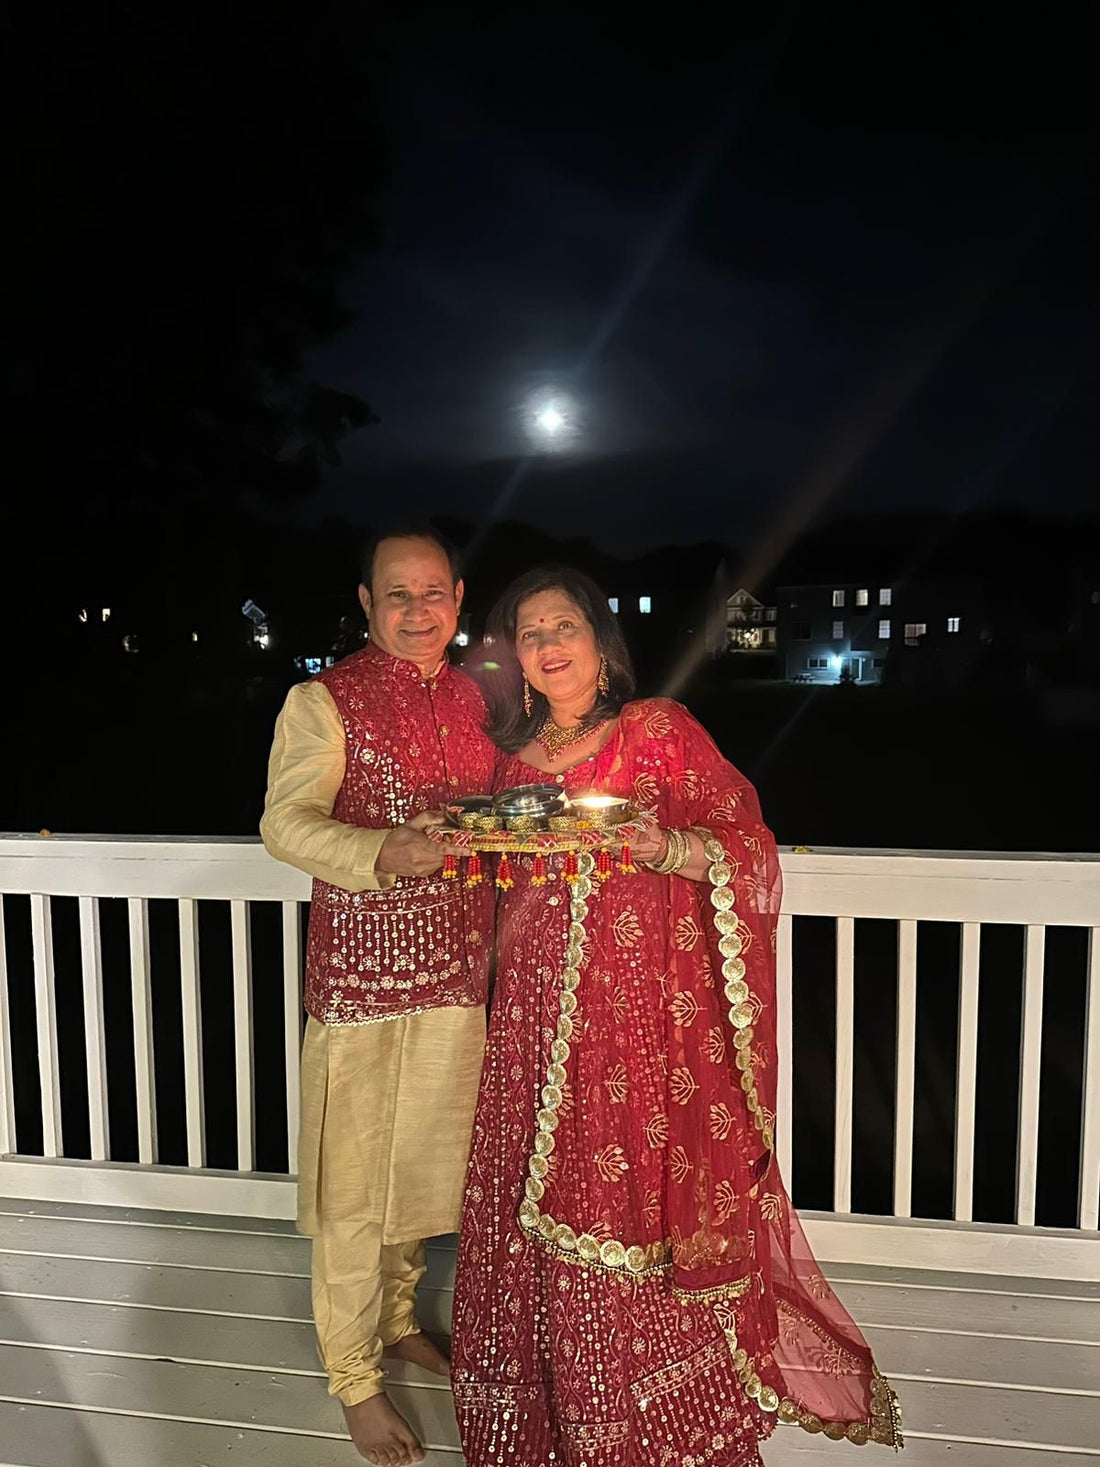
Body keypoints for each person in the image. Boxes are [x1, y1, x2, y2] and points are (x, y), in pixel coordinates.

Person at [451, 567, 902, 1466]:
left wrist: (669, 845)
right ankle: (555, 1404)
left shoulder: (657, 730)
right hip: (532, 1025)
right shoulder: (511, 768)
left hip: (634, 1028)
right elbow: (495, 890)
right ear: (520, 662)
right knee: (528, 1202)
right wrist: (464, 843)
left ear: (599, 641)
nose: (548, 643)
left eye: (564, 623)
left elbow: (746, 841)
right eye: (529, 631)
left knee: (623, 1200)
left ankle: (646, 1402)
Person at [261, 528, 496, 1467]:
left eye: (431, 591)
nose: (414, 610)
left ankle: (398, 1319)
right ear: (365, 601)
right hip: (362, 981)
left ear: (457, 596)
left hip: (458, 973)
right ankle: (354, 1377)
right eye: (394, 594)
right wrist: (377, 851)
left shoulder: (481, 697)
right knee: (356, 1188)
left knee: (423, 1170)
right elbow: (284, 821)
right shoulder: (323, 699)